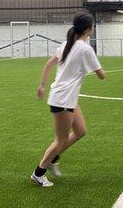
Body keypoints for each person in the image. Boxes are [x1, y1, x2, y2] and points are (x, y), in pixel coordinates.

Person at [31, 13, 105, 187]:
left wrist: (42, 86)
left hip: (67, 98)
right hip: (62, 100)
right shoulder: (86, 49)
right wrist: (101, 70)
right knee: (61, 140)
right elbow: (101, 75)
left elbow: (48, 64)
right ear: (88, 29)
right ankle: (39, 172)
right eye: (92, 26)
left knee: (81, 131)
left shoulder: (66, 44)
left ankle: (53, 158)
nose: (93, 29)